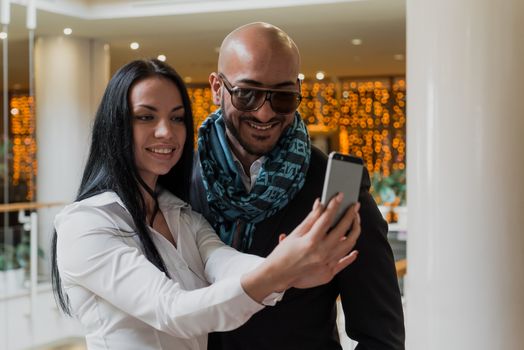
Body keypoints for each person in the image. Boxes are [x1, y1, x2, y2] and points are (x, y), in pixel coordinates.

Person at [50, 59, 362, 350]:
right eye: (146, 116)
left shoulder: (178, 212)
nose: (166, 132)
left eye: (177, 118)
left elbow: (222, 261)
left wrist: (288, 271)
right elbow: (173, 311)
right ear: (114, 125)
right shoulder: (86, 223)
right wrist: (277, 272)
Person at [189, 22, 405, 349]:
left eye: (283, 97)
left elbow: (381, 335)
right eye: (247, 93)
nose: (264, 113)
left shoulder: (333, 188)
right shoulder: (178, 179)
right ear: (217, 88)